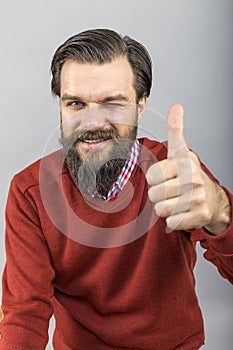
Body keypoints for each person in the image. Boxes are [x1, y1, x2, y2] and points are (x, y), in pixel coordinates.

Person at [0, 28, 232, 350]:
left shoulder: (175, 172)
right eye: (76, 104)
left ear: (140, 104)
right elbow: (23, 315)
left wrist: (221, 213)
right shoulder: (30, 193)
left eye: (112, 103)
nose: (93, 122)